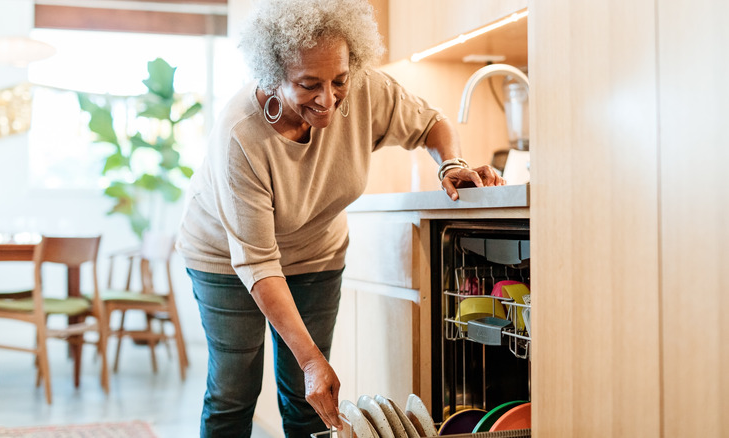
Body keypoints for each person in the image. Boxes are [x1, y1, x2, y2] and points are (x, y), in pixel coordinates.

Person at [176, 0, 505, 436]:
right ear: (273, 76)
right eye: (308, 84)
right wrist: (311, 359)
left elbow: (431, 123)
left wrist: (450, 164)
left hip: (316, 256)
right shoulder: (241, 136)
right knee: (234, 392)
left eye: (339, 80)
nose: (328, 98)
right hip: (226, 260)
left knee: (305, 396)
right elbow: (257, 262)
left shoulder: (366, 90)